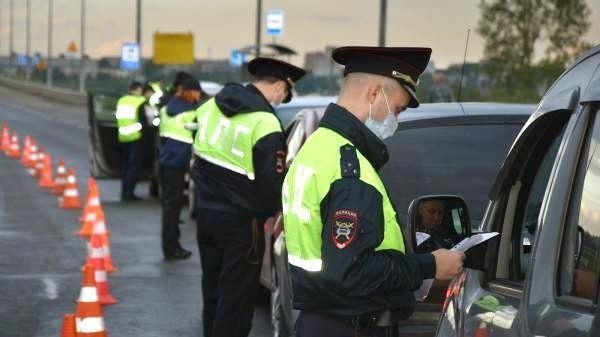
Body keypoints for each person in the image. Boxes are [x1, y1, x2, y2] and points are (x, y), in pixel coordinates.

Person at [282, 46, 465, 337]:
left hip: (320, 319)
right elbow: (351, 272)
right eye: (397, 109)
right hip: (349, 326)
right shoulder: (348, 167)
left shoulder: (317, 147)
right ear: (374, 93)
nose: (396, 119)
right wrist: (429, 265)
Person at [191, 57, 306, 337]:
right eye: (285, 93)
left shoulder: (209, 107)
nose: (281, 99)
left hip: (205, 214)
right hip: (242, 224)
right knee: (237, 302)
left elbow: (197, 155)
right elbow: (272, 183)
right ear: (279, 85)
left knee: (213, 293)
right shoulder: (265, 122)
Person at [158, 78, 205, 261]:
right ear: (191, 92)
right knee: (173, 208)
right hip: (178, 163)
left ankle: (171, 244)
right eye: (198, 92)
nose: (199, 96)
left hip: (165, 161)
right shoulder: (191, 113)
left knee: (170, 207)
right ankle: (171, 247)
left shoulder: (165, 109)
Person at [115, 81, 149, 201]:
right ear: (137, 89)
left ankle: (124, 191)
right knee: (133, 167)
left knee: (125, 167)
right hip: (135, 137)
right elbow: (144, 121)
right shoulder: (140, 101)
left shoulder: (121, 100)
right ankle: (129, 193)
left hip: (123, 136)